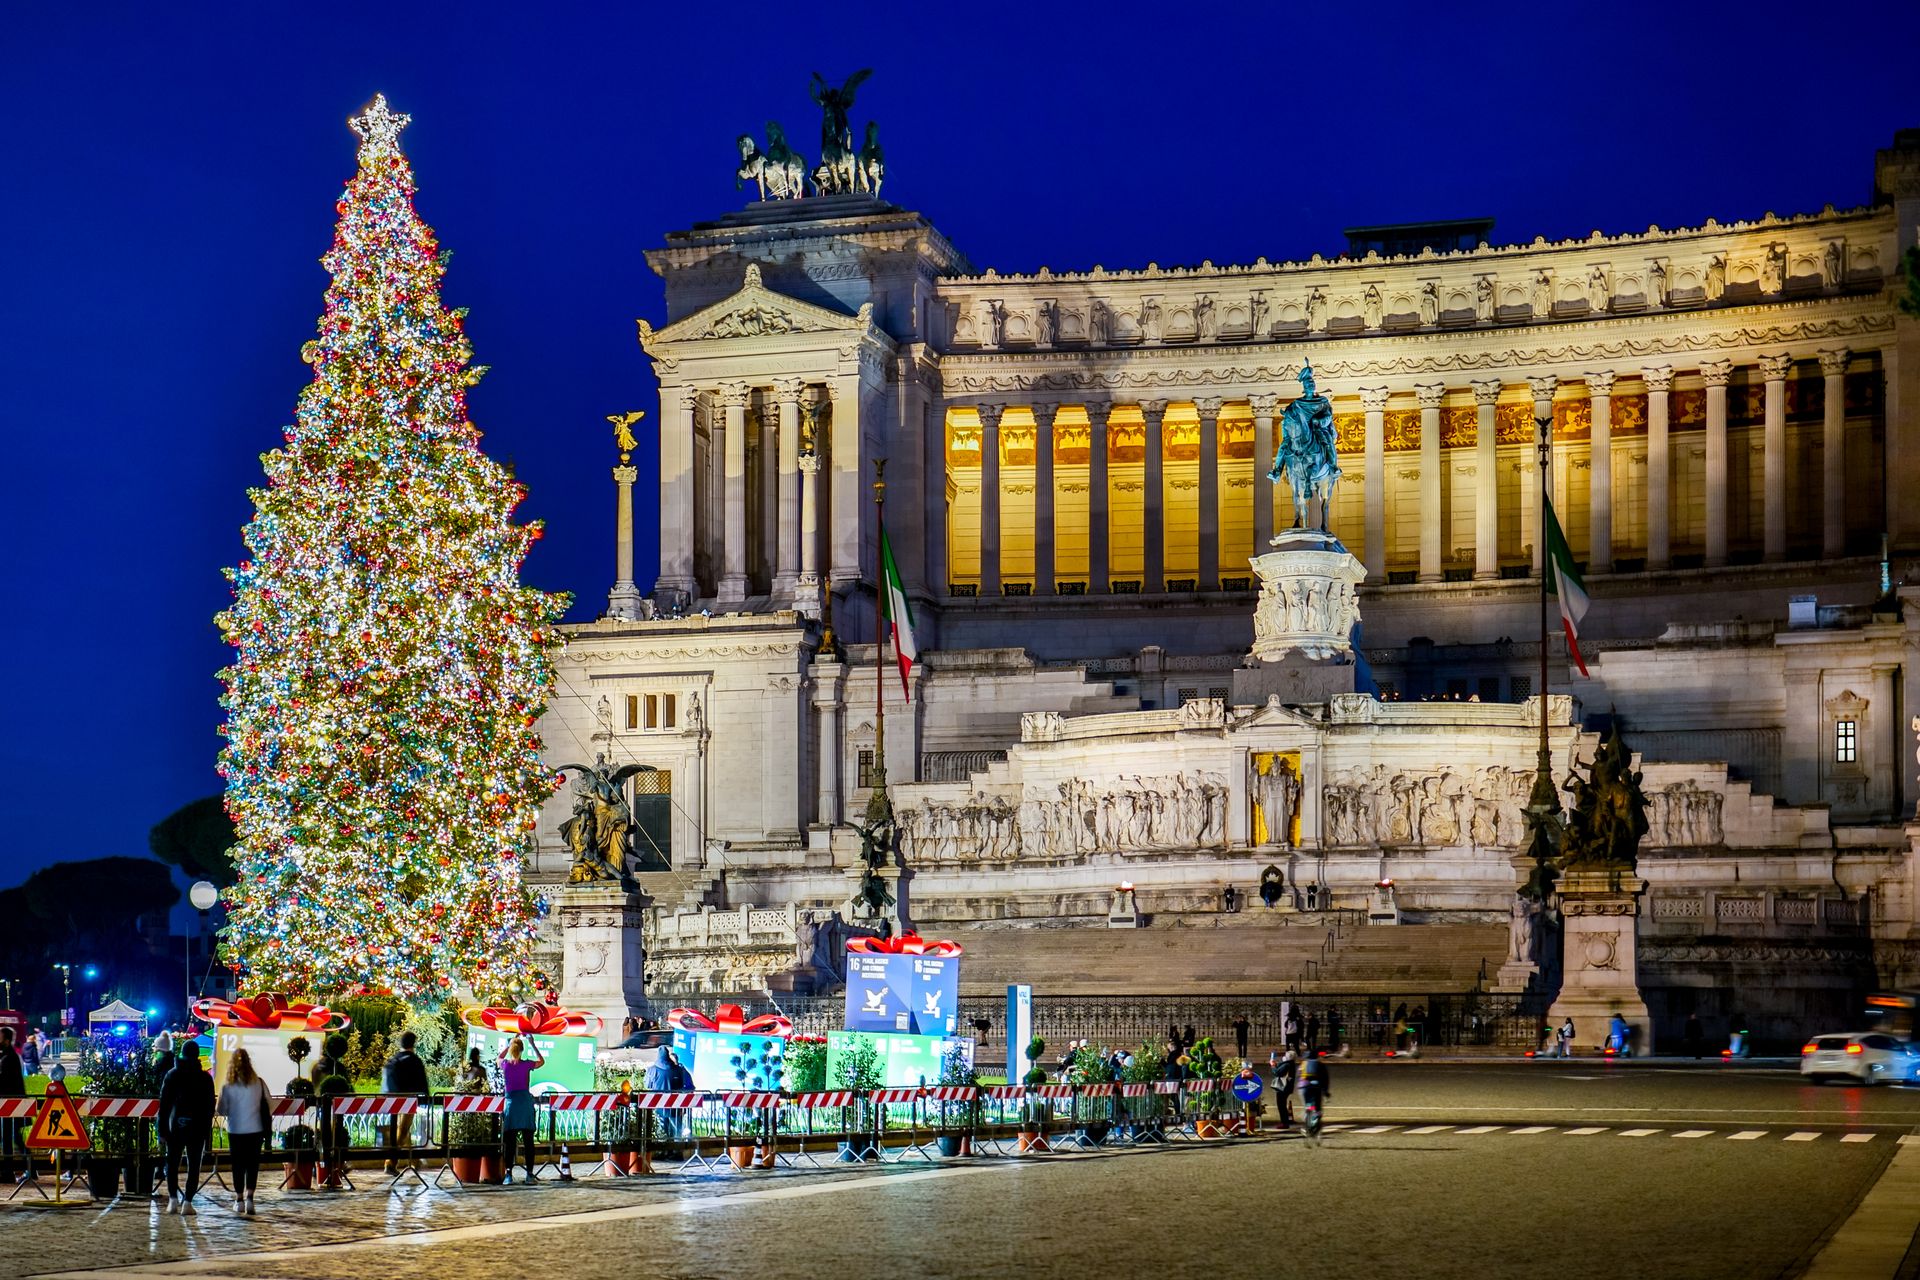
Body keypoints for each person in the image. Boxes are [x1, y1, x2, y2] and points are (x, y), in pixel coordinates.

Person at [158, 1041, 216, 1214]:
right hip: (197, 1127)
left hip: (175, 1125)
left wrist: (162, 1129)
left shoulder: (172, 1075)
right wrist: (206, 1130)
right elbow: (209, 1107)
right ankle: (188, 1202)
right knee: (194, 1166)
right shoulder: (205, 1078)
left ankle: (173, 1199)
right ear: (197, 1055)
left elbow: (164, 1104)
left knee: (172, 1163)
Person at [216, 1048, 270, 1215]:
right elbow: (268, 1103)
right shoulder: (259, 1083)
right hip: (256, 1129)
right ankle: (250, 1199)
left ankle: (239, 1199)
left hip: (236, 1129)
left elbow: (221, 1109)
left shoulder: (227, 1086)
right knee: (252, 1165)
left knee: (237, 1165)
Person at [497, 1036, 545, 1184]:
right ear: (522, 1050)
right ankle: (529, 1174)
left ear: (511, 1050)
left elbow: (498, 1058)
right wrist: (532, 1043)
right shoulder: (526, 1064)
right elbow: (541, 1061)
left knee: (510, 1142)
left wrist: (509, 1043)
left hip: (511, 1105)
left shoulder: (505, 1064)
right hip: (525, 1105)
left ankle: (508, 1175)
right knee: (528, 1141)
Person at [382, 1031, 431, 1174]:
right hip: (409, 1101)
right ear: (413, 1044)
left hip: (392, 1101)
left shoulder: (394, 1059)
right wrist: (426, 1099)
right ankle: (390, 1162)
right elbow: (422, 1082)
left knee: (403, 1130)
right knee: (403, 1130)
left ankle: (414, 1161)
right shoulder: (414, 1061)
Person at [0, 1028, 30, 1184]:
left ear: (6, 1040)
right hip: (12, 1103)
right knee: (14, 1137)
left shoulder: (8, 1057)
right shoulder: (8, 1055)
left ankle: (8, 1171)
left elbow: (4, 1080)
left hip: (10, 1103)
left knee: (9, 1137)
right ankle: (30, 1169)